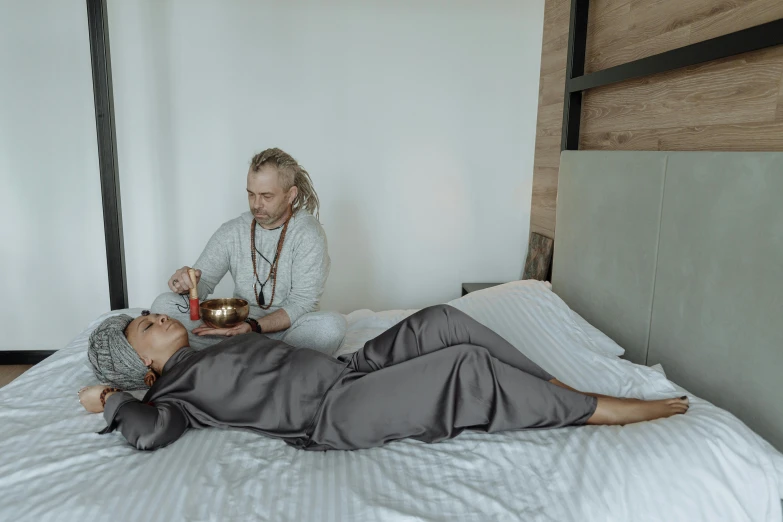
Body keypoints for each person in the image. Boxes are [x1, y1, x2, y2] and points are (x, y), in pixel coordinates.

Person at [80, 305, 689, 451]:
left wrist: (246, 332)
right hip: (331, 415)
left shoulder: (210, 342)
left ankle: (552, 385)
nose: (154, 317)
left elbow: (268, 352)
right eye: (142, 328)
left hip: (345, 372)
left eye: (147, 314)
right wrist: (107, 398)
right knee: (464, 367)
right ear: (141, 364)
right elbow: (148, 432)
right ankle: (592, 410)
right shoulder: (170, 395)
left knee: (442, 322)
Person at [151, 147, 346, 354]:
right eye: (251, 194)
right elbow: (203, 284)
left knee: (331, 326)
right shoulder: (233, 230)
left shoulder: (307, 233)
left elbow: (302, 304)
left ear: (291, 195)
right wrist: (184, 283)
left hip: (286, 331)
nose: (256, 204)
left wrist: (253, 327)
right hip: (234, 329)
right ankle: (268, 359)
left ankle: (241, 354)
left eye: (266, 196)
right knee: (164, 304)